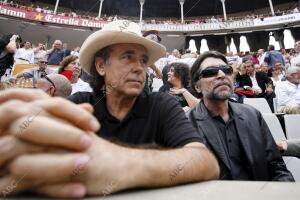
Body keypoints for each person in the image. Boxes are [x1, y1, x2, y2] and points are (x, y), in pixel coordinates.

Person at [0, 20, 219, 198]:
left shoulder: (162, 105)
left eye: (143, 60)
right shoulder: (79, 103)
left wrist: (117, 163)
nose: (139, 67)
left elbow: (205, 162)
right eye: (128, 57)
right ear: (100, 66)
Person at [188, 51, 294, 181]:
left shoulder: (253, 115)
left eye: (226, 70)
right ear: (197, 86)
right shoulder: (186, 126)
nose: (221, 75)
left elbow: (276, 166)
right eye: (210, 72)